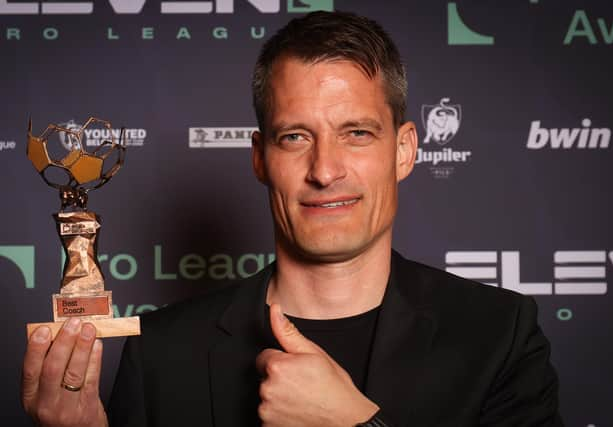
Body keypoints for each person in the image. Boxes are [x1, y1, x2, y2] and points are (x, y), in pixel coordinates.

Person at [21, 11, 563, 427]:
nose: (325, 170)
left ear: (404, 150)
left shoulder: (497, 336)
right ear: (260, 158)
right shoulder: (160, 351)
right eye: (295, 137)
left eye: (356, 133)